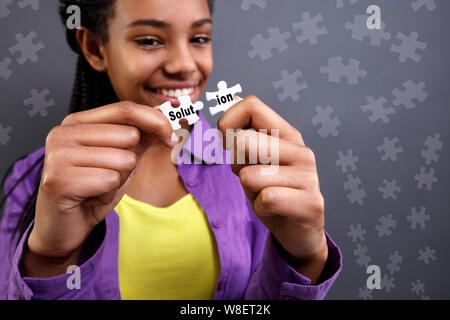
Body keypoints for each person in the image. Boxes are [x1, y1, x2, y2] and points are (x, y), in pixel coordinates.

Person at [0, 0, 342, 300]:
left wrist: (304, 258)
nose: (184, 65)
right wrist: (51, 259)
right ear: (94, 47)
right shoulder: (34, 183)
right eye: (149, 40)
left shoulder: (253, 167)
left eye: (199, 38)